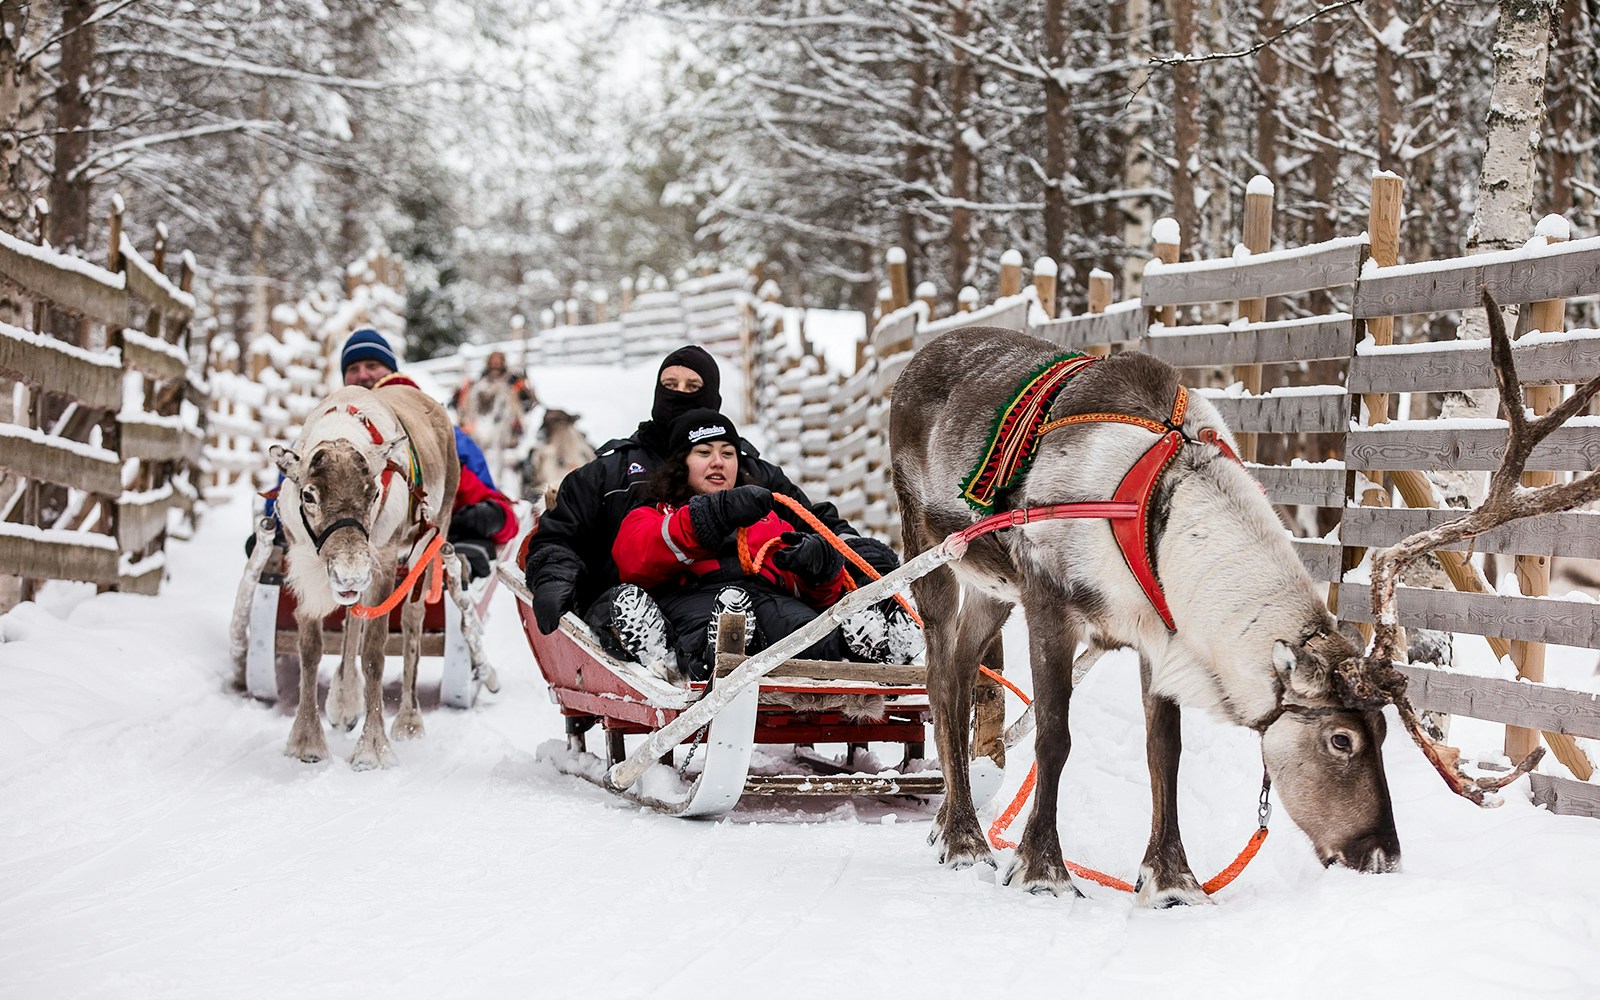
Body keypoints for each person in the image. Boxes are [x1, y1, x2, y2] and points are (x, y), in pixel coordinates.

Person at [522, 344, 901, 635]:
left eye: (692, 387)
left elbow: (809, 519)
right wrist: (554, 574)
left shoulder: (749, 469)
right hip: (633, 599)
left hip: (747, 601)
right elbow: (561, 533)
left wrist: (855, 553)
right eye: (670, 386)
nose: (679, 394)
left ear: (712, 397)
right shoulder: (612, 470)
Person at [594, 409, 916, 682]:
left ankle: (865, 645)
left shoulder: (767, 520)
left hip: (769, 602)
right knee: (709, 623)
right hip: (693, 596)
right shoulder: (656, 513)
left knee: (807, 630)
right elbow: (634, 555)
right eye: (704, 453)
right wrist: (712, 515)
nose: (718, 462)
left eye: (728, 453)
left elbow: (813, 595)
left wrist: (821, 570)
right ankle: (714, 652)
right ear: (682, 464)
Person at [250, 329, 518, 580]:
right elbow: (285, 499)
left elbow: (501, 514)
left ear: (392, 373)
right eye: (353, 369)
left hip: (422, 542)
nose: (364, 375)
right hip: (341, 551)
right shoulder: (321, 441)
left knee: (469, 545)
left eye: (373, 366)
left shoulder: (438, 433)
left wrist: (485, 516)